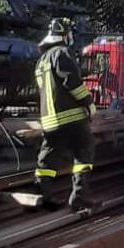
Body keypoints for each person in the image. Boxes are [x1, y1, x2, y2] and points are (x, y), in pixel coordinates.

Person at [33, 17, 97, 211]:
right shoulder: (62, 53)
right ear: (66, 35)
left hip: (49, 121)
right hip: (71, 117)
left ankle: (43, 195)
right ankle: (79, 197)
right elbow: (73, 83)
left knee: (46, 159)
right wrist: (89, 103)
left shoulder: (41, 61)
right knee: (84, 151)